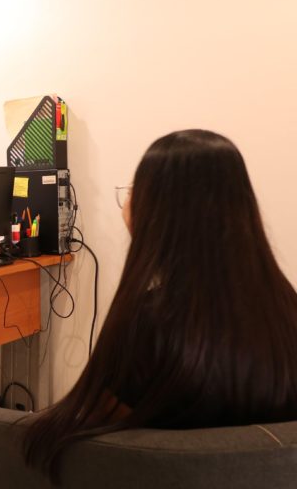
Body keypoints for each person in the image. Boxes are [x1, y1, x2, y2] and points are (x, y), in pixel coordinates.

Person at [23, 129, 297, 481]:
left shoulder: (147, 325)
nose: (126, 204)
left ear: (158, 212)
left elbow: (83, 437)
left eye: (133, 192)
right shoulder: (287, 311)